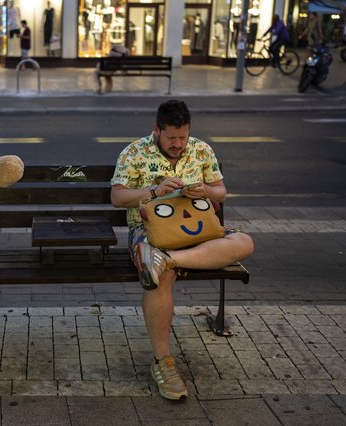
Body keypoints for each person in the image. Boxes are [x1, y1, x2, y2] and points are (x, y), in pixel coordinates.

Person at [110, 100, 254, 401]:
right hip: (150, 232)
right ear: (157, 131)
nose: (178, 144)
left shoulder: (201, 150)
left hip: (199, 230)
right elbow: (118, 197)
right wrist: (154, 190)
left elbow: (220, 192)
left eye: (183, 137)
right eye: (171, 138)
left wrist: (206, 191)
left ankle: (168, 260)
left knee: (245, 242)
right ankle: (164, 362)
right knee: (161, 279)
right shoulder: (134, 152)